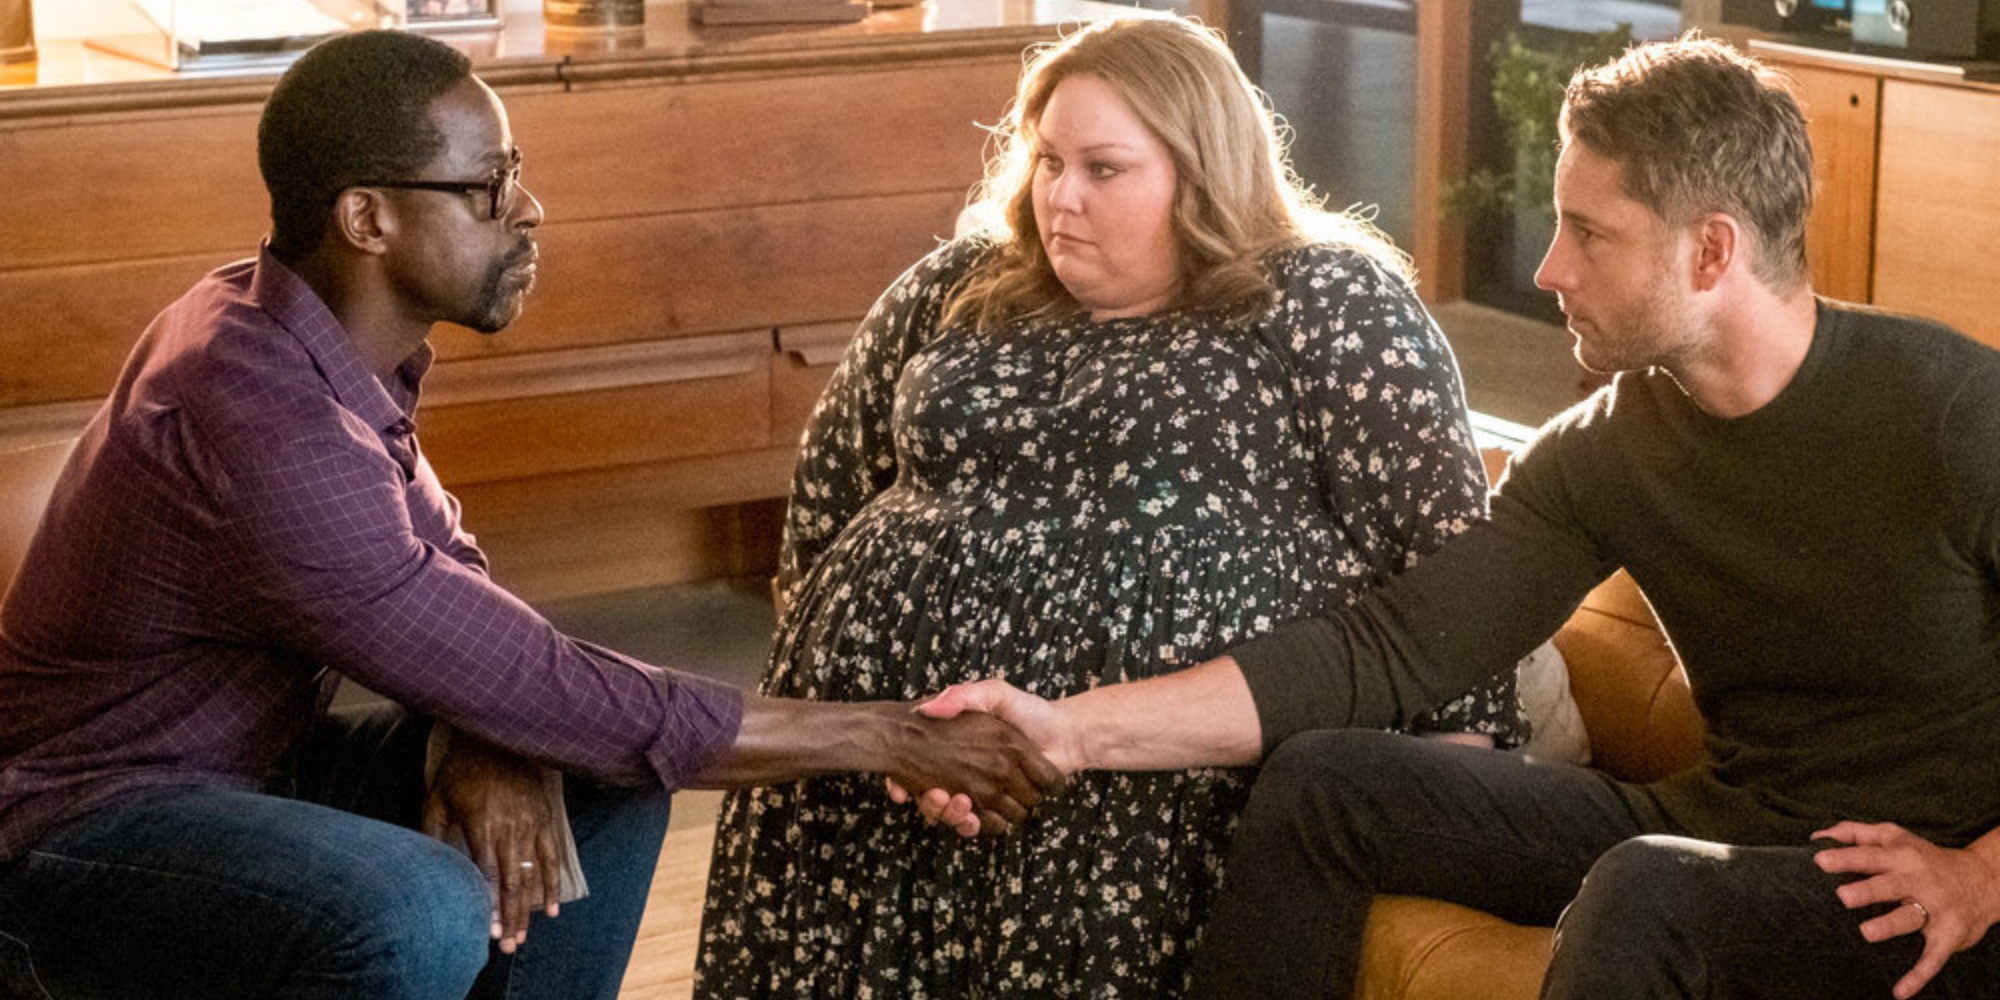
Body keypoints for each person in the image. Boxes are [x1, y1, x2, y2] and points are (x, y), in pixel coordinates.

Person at [914, 34, 2000, 1000]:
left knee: (1645, 889)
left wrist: (1980, 872)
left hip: (1929, 876)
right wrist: (1070, 729)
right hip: (1733, 827)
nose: (1547, 268)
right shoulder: (1608, 449)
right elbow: (1387, 648)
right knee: (1328, 780)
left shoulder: (1949, 410)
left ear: (1710, 252)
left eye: (1586, 232)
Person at [0, 29, 1062, 1000]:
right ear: (367, 217)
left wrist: (493, 729)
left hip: (246, 769)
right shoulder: (259, 417)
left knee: (594, 767)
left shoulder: (296, 330)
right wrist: (896, 737)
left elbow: (447, 575)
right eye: (487, 185)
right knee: (415, 907)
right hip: (76, 830)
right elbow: (499, 656)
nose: (528, 207)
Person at [695, 15, 1529, 999]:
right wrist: (862, 692)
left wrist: (1444, 778)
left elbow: (1442, 557)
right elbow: (830, 492)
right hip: (891, 777)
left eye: (1103, 169)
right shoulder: (953, 286)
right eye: (1046, 161)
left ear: (1202, 169)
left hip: (1155, 800)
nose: (1060, 197)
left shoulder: (1325, 302)